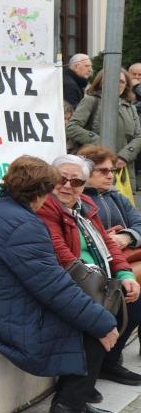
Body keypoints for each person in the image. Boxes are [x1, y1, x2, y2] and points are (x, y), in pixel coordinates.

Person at [0, 155, 120, 413]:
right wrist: (100, 321)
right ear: (40, 192)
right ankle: (68, 405)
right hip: (6, 318)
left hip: (0, 307)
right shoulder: (25, 224)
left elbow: (47, 282)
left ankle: (79, 397)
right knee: (97, 324)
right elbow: (53, 287)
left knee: (92, 315)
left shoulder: (4, 209)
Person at [78, 144, 141, 360]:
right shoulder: (78, 199)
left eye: (112, 171)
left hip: (125, 261)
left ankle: (114, 356)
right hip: (99, 268)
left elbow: (139, 223)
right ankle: (111, 357)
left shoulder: (115, 196)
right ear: (86, 172)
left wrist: (126, 237)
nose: (110, 176)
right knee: (133, 298)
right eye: (103, 171)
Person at [66, 68, 141, 180]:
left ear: (126, 86)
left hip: (123, 170)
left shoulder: (130, 108)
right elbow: (72, 127)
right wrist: (101, 142)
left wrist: (124, 156)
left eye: (121, 81)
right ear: (101, 82)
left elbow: (138, 136)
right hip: (95, 166)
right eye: (112, 80)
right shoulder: (91, 101)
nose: (116, 84)